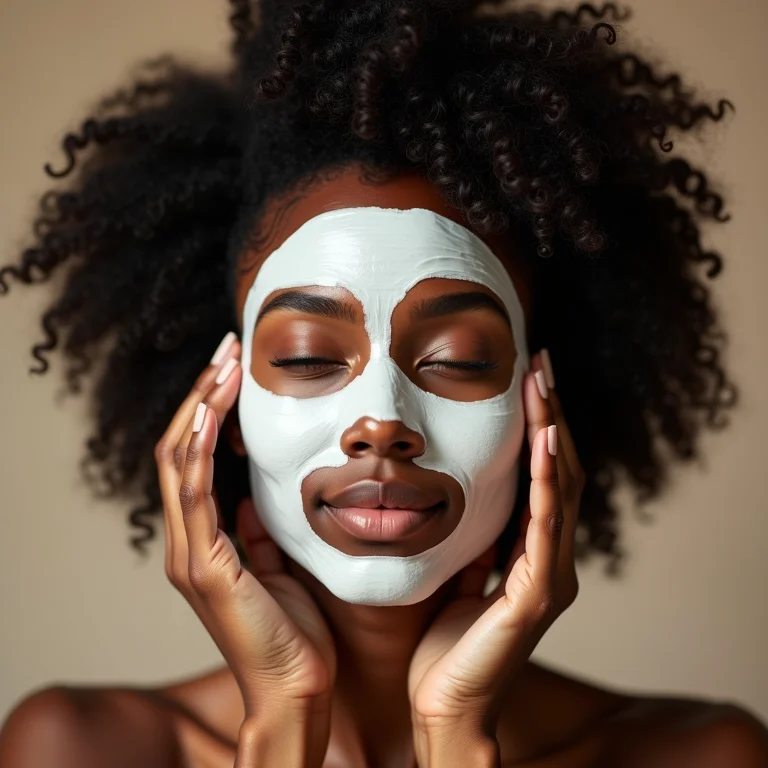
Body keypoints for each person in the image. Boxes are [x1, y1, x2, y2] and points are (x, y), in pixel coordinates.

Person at [0, 0, 766, 765]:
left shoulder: (699, 755)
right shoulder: (80, 747)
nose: (381, 422)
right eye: (306, 359)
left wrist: (455, 732)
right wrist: (284, 714)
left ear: (541, 405)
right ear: (225, 406)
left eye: (458, 359)